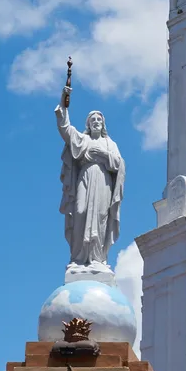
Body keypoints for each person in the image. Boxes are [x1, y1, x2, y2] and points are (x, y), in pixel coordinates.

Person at [56, 85, 124, 270]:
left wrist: (102, 154)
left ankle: (97, 258)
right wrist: (64, 100)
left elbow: (119, 164)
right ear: (88, 124)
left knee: (101, 215)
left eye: (99, 119)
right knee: (80, 212)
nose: (96, 122)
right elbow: (65, 128)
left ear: (103, 124)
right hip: (85, 177)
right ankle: (78, 258)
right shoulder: (82, 140)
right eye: (92, 119)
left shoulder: (109, 143)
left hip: (103, 180)